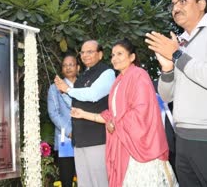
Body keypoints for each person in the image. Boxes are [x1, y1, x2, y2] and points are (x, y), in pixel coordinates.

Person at [145, 0, 207, 186]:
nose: (176, 8)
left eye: (183, 1)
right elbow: (167, 96)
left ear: (201, 4)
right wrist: (168, 68)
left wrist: (177, 55)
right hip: (183, 140)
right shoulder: (180, 44)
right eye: (173, 4)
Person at [71, 38, 177, 187]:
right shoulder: (118, 81)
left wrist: (115, 123)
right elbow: (112, 116)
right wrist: (83, 114)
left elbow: (141, 111)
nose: (115, 58)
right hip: (124, 144)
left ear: (132, 57)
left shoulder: (139, 75)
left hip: (141, 147)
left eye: (119, 54)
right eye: (113, 55)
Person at [55, 40, 115, 187]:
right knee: (84, 182)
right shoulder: (82, 75)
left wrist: (68, 90)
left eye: (90, 51)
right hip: (79, 139)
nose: (85, 55)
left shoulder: (107, 72)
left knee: (100, 181)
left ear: (100, 54)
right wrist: (64, 92)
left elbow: (93, 94)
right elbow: (76, 102)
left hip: (97, 138)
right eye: (82, 52)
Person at [47, 54, 78, 187]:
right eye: (65, 65)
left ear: (78, 67)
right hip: (65, 138)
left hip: (87, 138)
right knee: (66, 179)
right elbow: (53, 113)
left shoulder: (85, 86)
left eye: (71, 65)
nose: (68, 68)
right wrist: (70, 132)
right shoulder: (54, 88)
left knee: (86, 177)